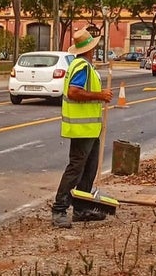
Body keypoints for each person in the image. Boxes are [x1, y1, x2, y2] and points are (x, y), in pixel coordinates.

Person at [51, 27, 113, 228]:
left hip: (91, 129)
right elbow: (74, 92)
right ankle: (59, 209)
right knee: (76, 169)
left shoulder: (84, 65)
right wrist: (100, 95)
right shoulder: (82, 67)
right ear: (90, 49)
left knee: (89, 169)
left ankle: (81, 208)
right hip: (81, 129)